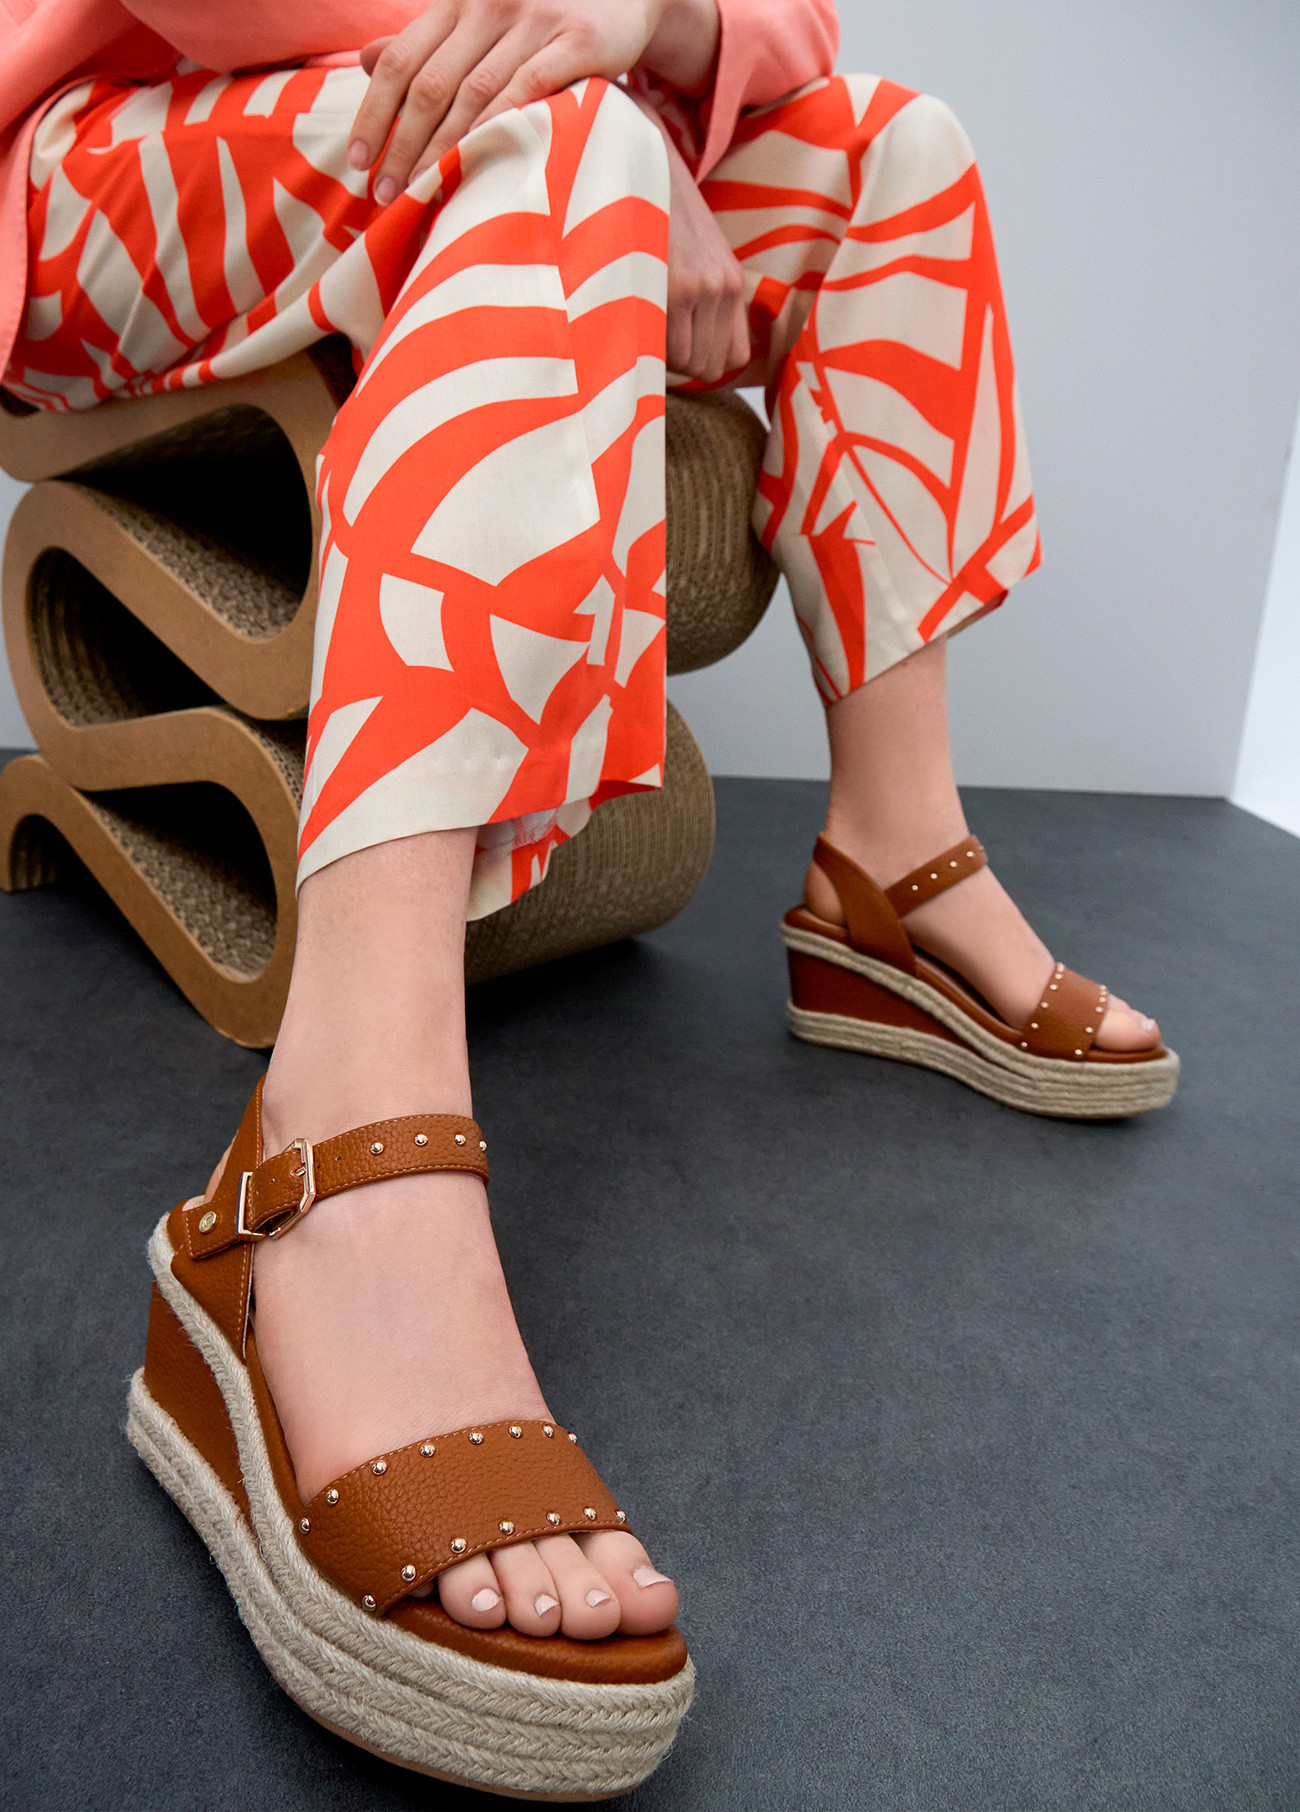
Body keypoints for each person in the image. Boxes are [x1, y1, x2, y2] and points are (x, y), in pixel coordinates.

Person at [0, 0, 1178, 1794]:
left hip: (479, 113)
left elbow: (778, 27)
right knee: (548, 136)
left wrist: (653, 21)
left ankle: (893, 860)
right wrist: (599, 81)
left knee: (895, 152)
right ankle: (332, 1146)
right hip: (102, 177)